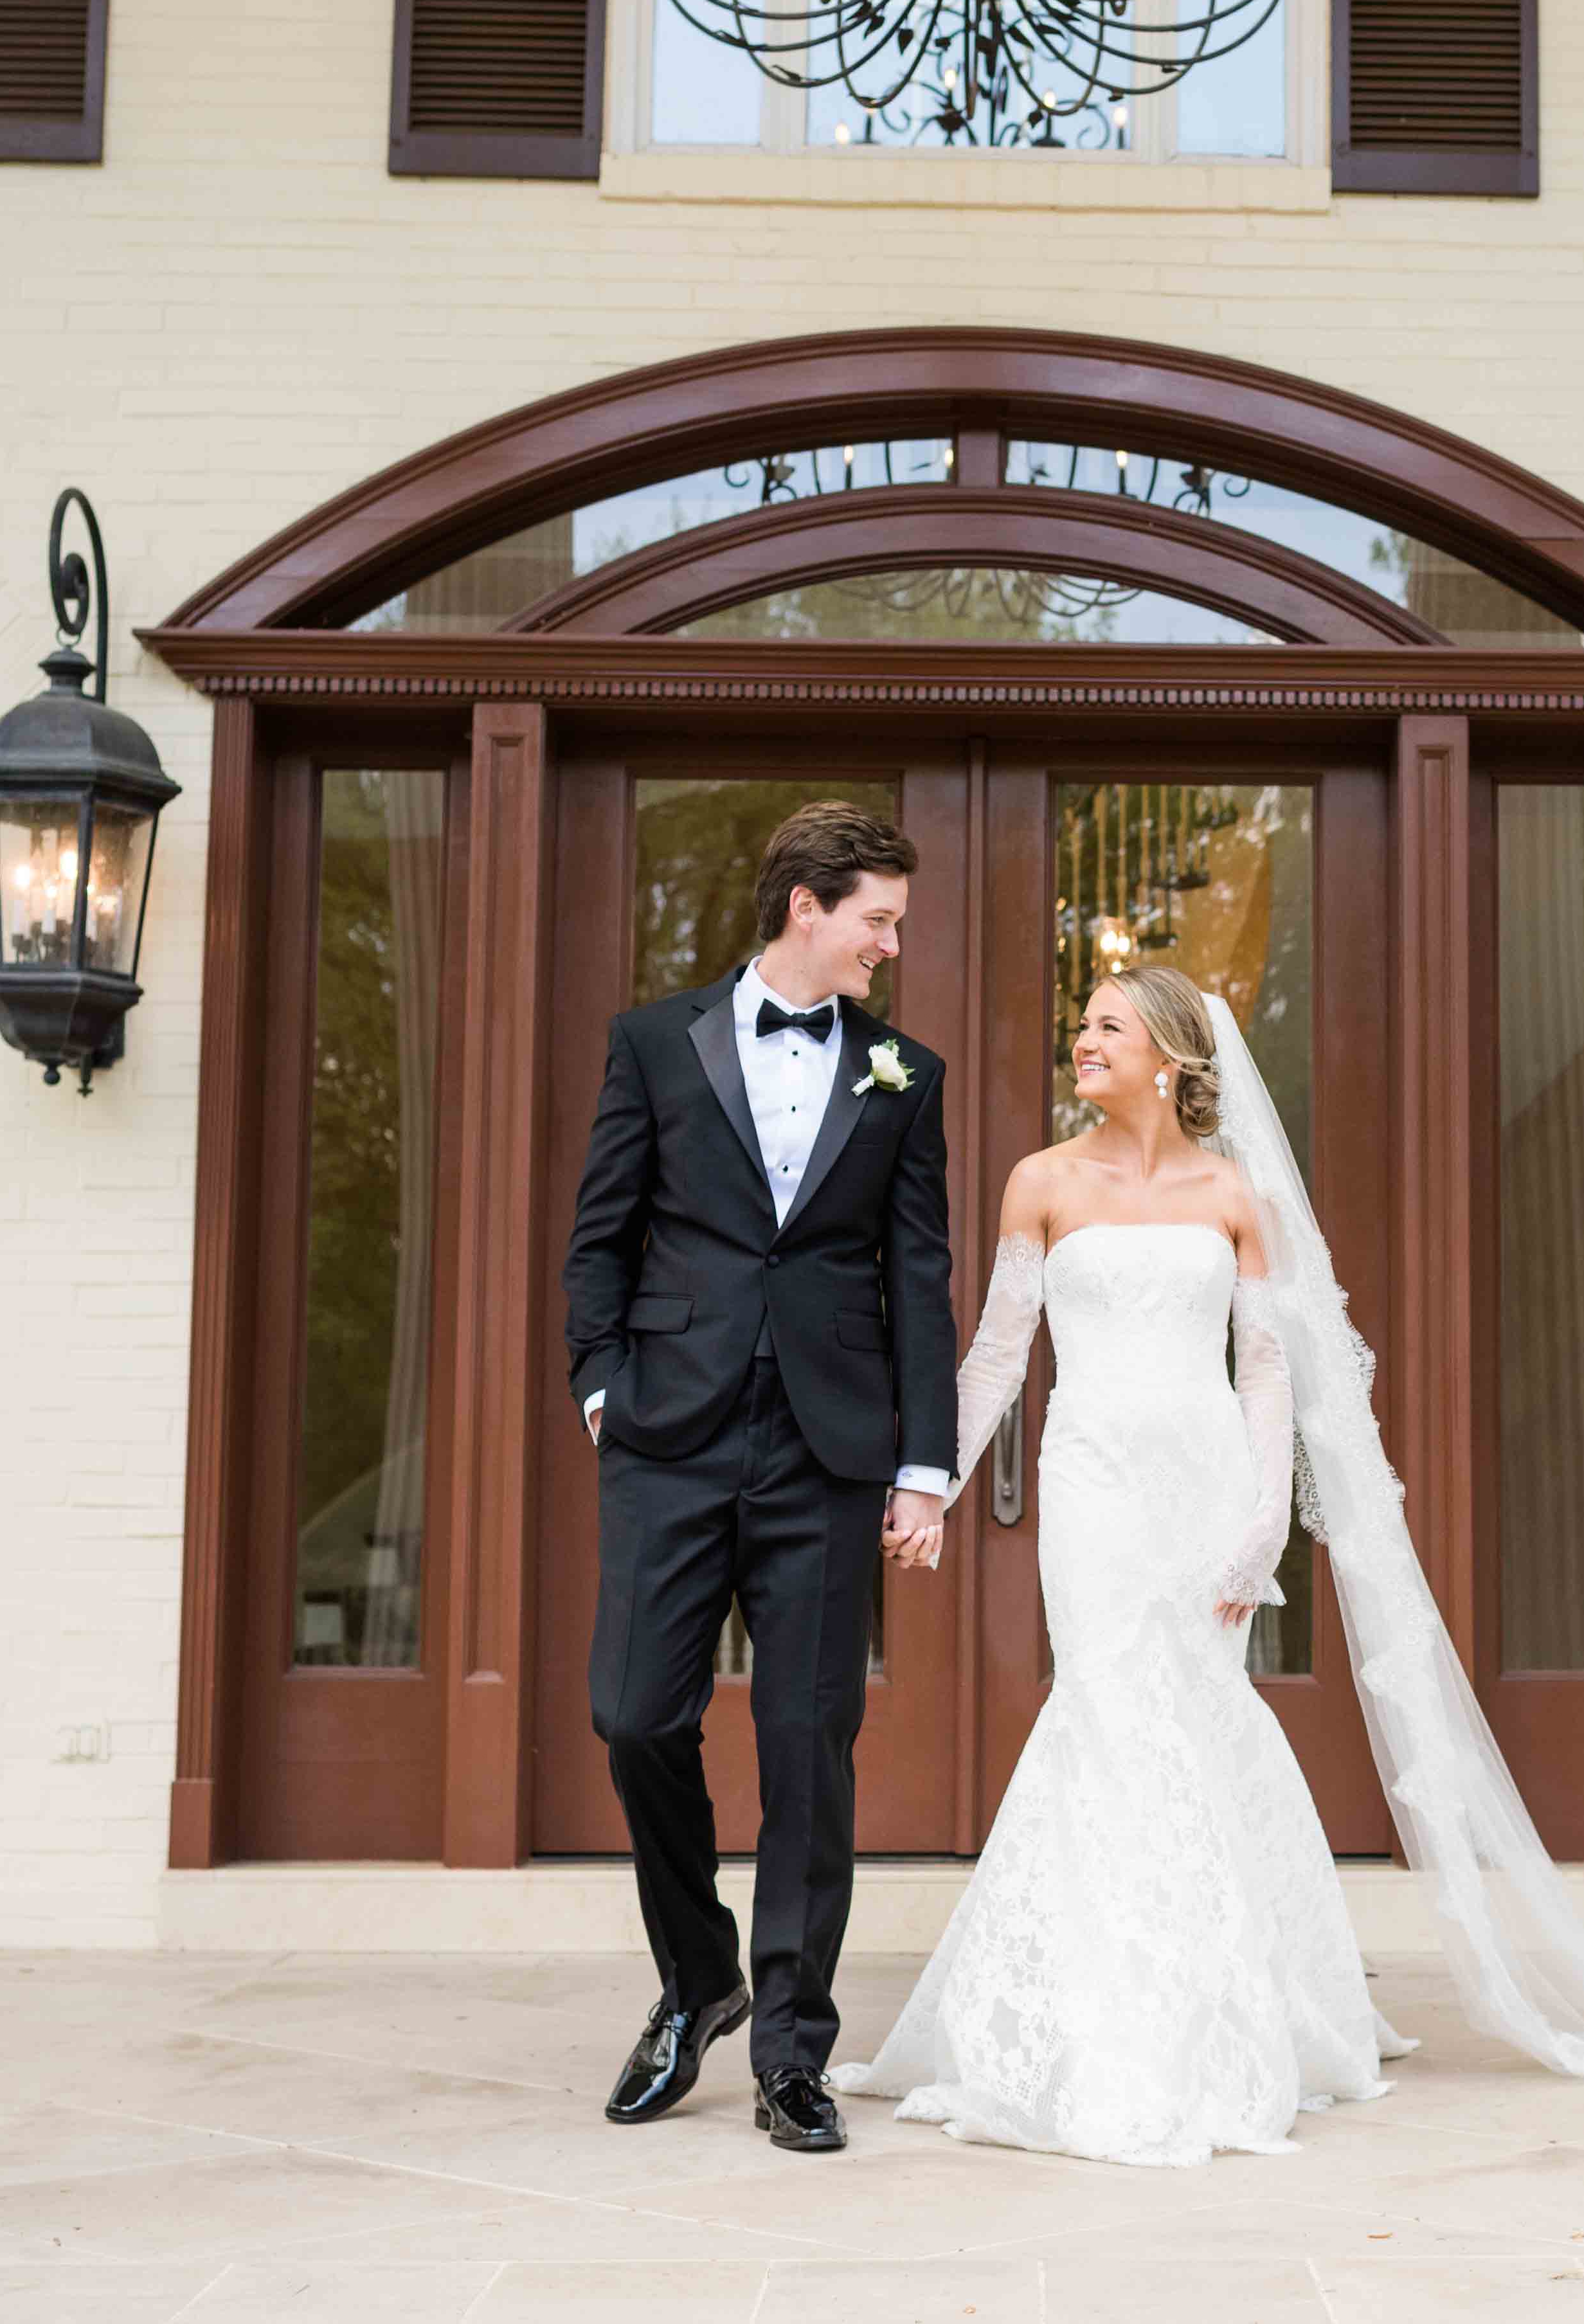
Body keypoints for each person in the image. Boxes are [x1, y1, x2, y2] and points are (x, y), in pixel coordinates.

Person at [833, 966, 1584, 2166]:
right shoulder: (1041, 1182)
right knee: (1105, 1710)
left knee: (1197, 1719)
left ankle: (1233, 1999)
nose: (1082, 1042)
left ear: (1169, 1054)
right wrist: (929, 1481)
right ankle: (1089, 2018)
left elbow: (1265, 1375)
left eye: (1106, 1027)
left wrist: (1264, 1520)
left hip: (1203, 1486)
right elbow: (998, 1352)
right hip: (1095, 1487)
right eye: (1083, 1026)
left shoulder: (1235, 1197)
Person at [561, 801, 956, 2156]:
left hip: (829, 1454)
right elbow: (598, 1236)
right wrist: (601, 1382)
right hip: (668, 1435)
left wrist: (922, 1467)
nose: (889, 947)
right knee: (630, 1716)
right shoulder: (652, 1044)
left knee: (806, 1750)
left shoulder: (908, 1075)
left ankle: (793, 2047)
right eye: (878, 920)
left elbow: (919, 1276)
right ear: (807, 906)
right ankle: (697, 1980)